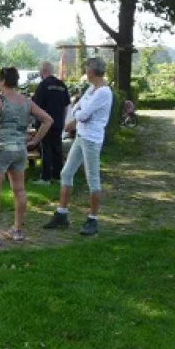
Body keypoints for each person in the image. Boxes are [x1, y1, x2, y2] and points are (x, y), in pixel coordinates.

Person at [0, 67, 53, 248]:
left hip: (1, 150)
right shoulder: (26, 101)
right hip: (20, 150)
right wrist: (35, 140)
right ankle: (17, 230)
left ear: (1, 81)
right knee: (19, 190)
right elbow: (48, 119)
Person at [43, 57, 114, 237]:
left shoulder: (103, 92)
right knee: (66, 173)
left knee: (93, 179)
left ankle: (92, 219)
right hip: (81, 135)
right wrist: (79, 113)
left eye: (86, 69)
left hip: (91, 138)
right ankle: (62, 214)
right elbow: (78, 108)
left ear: (91, 71)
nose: (85, 72)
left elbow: (83, 114)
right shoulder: (92, 89)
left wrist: (78, 113)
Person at [31, 61, 70, 184]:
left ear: (43, 71)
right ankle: (57, 176)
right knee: (57, 149)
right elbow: (66, 106)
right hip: (58, 122)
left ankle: (45, 177)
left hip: (45, 123)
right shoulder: (62, 85)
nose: (39, 73)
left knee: (45, 149)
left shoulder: (43, 85)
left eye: (40, 71)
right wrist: (63, 120)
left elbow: (35, 106)